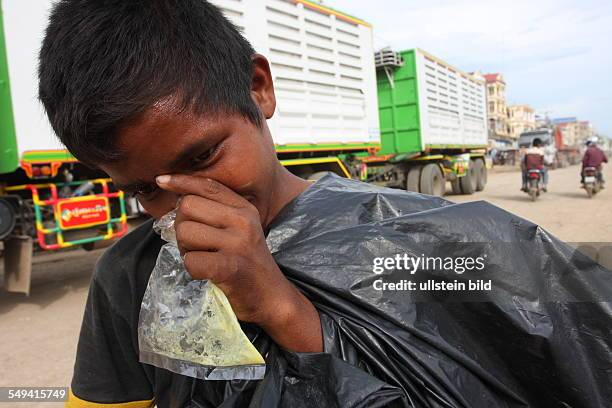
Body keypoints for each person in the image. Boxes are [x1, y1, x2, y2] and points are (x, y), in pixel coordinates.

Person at [38, 1, 612, 407]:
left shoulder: (445, 248)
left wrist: (279, 307)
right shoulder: (131, 277)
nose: (186, 203)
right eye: (145, 189)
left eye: (203, 157)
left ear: (259, 88)